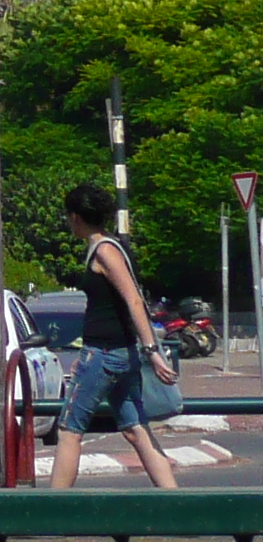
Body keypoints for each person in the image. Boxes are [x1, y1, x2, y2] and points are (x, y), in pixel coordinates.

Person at [51, 183, 182, 490]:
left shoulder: (105, 251)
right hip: (121, 354)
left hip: (104, 353)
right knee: (135, 430)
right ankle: (177, 503)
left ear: (75, 218)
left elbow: (133, 300)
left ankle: (52, 513)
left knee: (69, 431)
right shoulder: (113, 246)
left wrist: (152, 350)